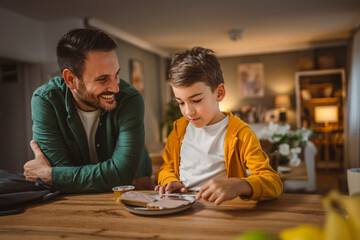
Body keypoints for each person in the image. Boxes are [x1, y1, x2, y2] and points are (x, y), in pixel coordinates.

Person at [23, 28, 153, 193]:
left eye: (116, 75)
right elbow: (60, 176)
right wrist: (107, 177)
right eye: (102, 79)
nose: (115, 87)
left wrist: (54, 176)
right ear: (71, 79)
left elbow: (121, 175)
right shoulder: (46, 100)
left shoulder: (130, 99)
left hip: (135, 191)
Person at [155, 47, 282, 205]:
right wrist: (169, 181)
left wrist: (241, 185)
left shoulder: (241, 132)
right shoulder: (179, 128)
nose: (188, 111)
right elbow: (167, 167)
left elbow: (273, 182)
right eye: (181, 102)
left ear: (219, 93)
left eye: (196, 100)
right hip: (181, 207)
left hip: (222, 211)